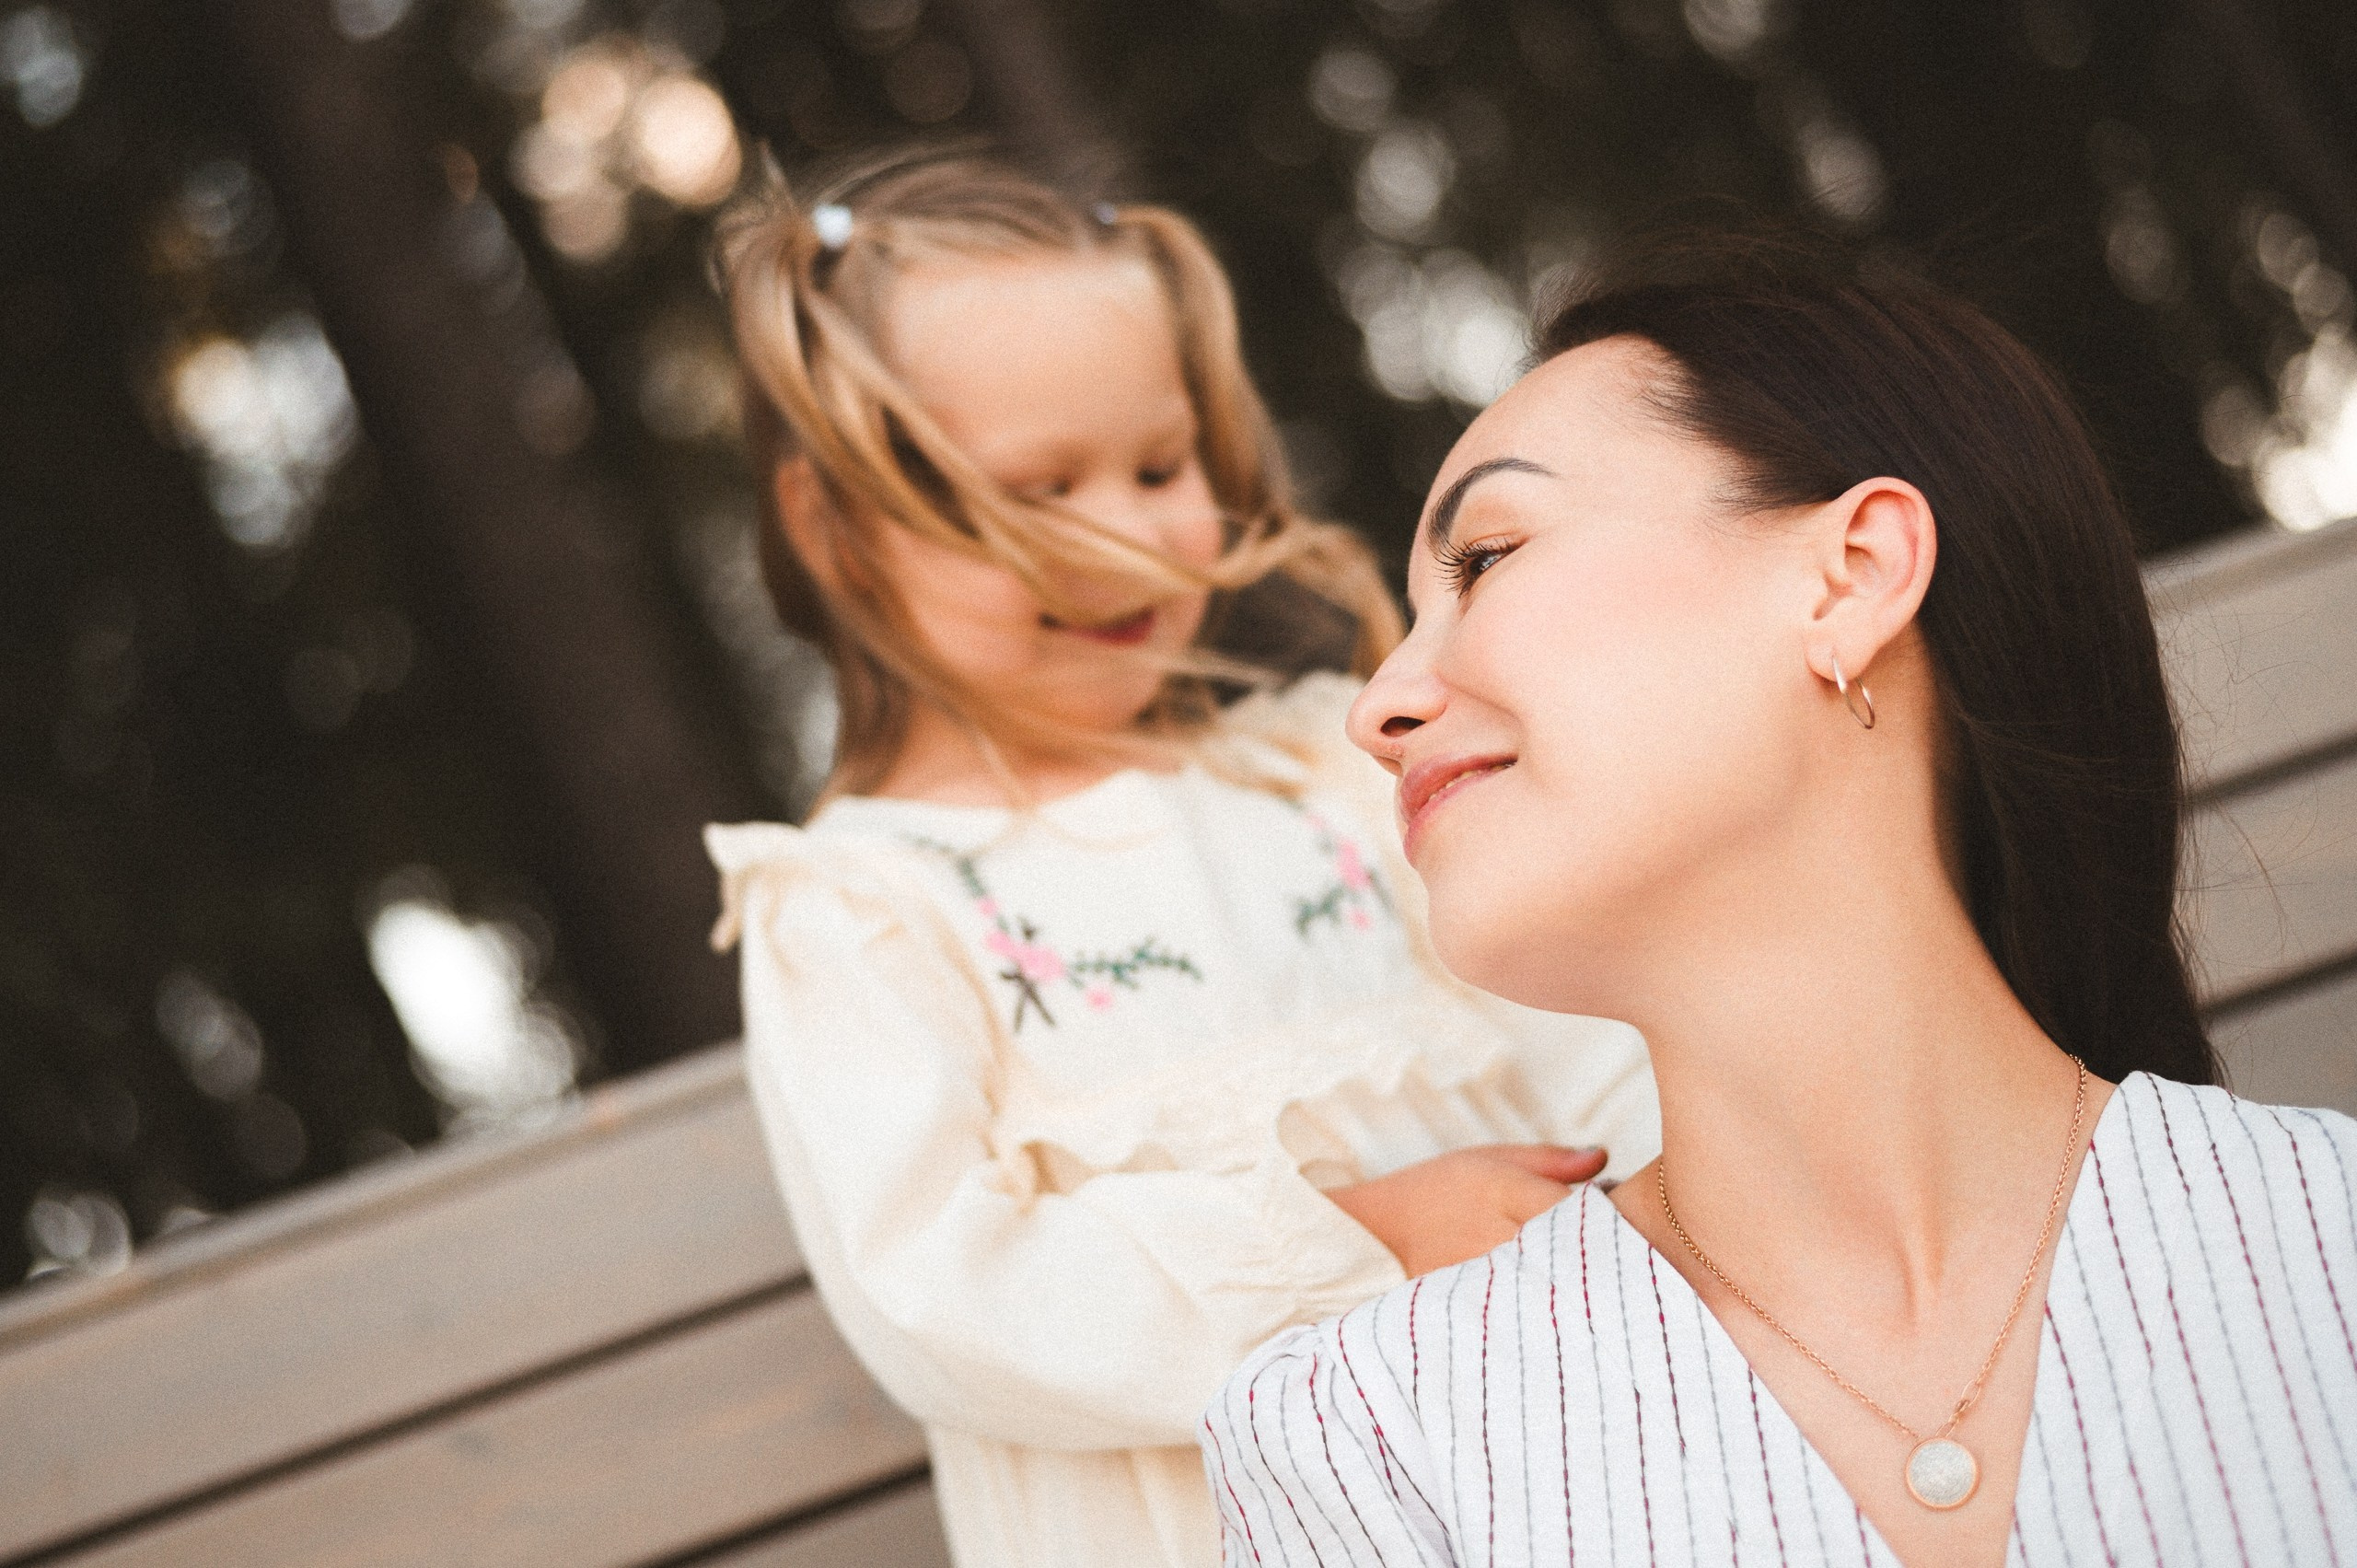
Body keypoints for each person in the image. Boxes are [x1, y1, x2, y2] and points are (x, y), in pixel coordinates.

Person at [1202, 230, 2357, 1567]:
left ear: (1853, 574)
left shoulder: (2323, 1250)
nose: (1380, 706)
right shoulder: (1363, 1442)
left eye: (1488, 558)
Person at [702, 149, 1660, 1568]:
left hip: (1543, 1473)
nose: (1131, 532)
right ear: (837, 529)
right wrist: (1360, 1240)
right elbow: (945, 1297)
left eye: (1160, 464)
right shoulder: (861, 908)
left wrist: (1678, 1188)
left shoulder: (1324, 778)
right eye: (1039, 488)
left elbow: (1581, 1023)